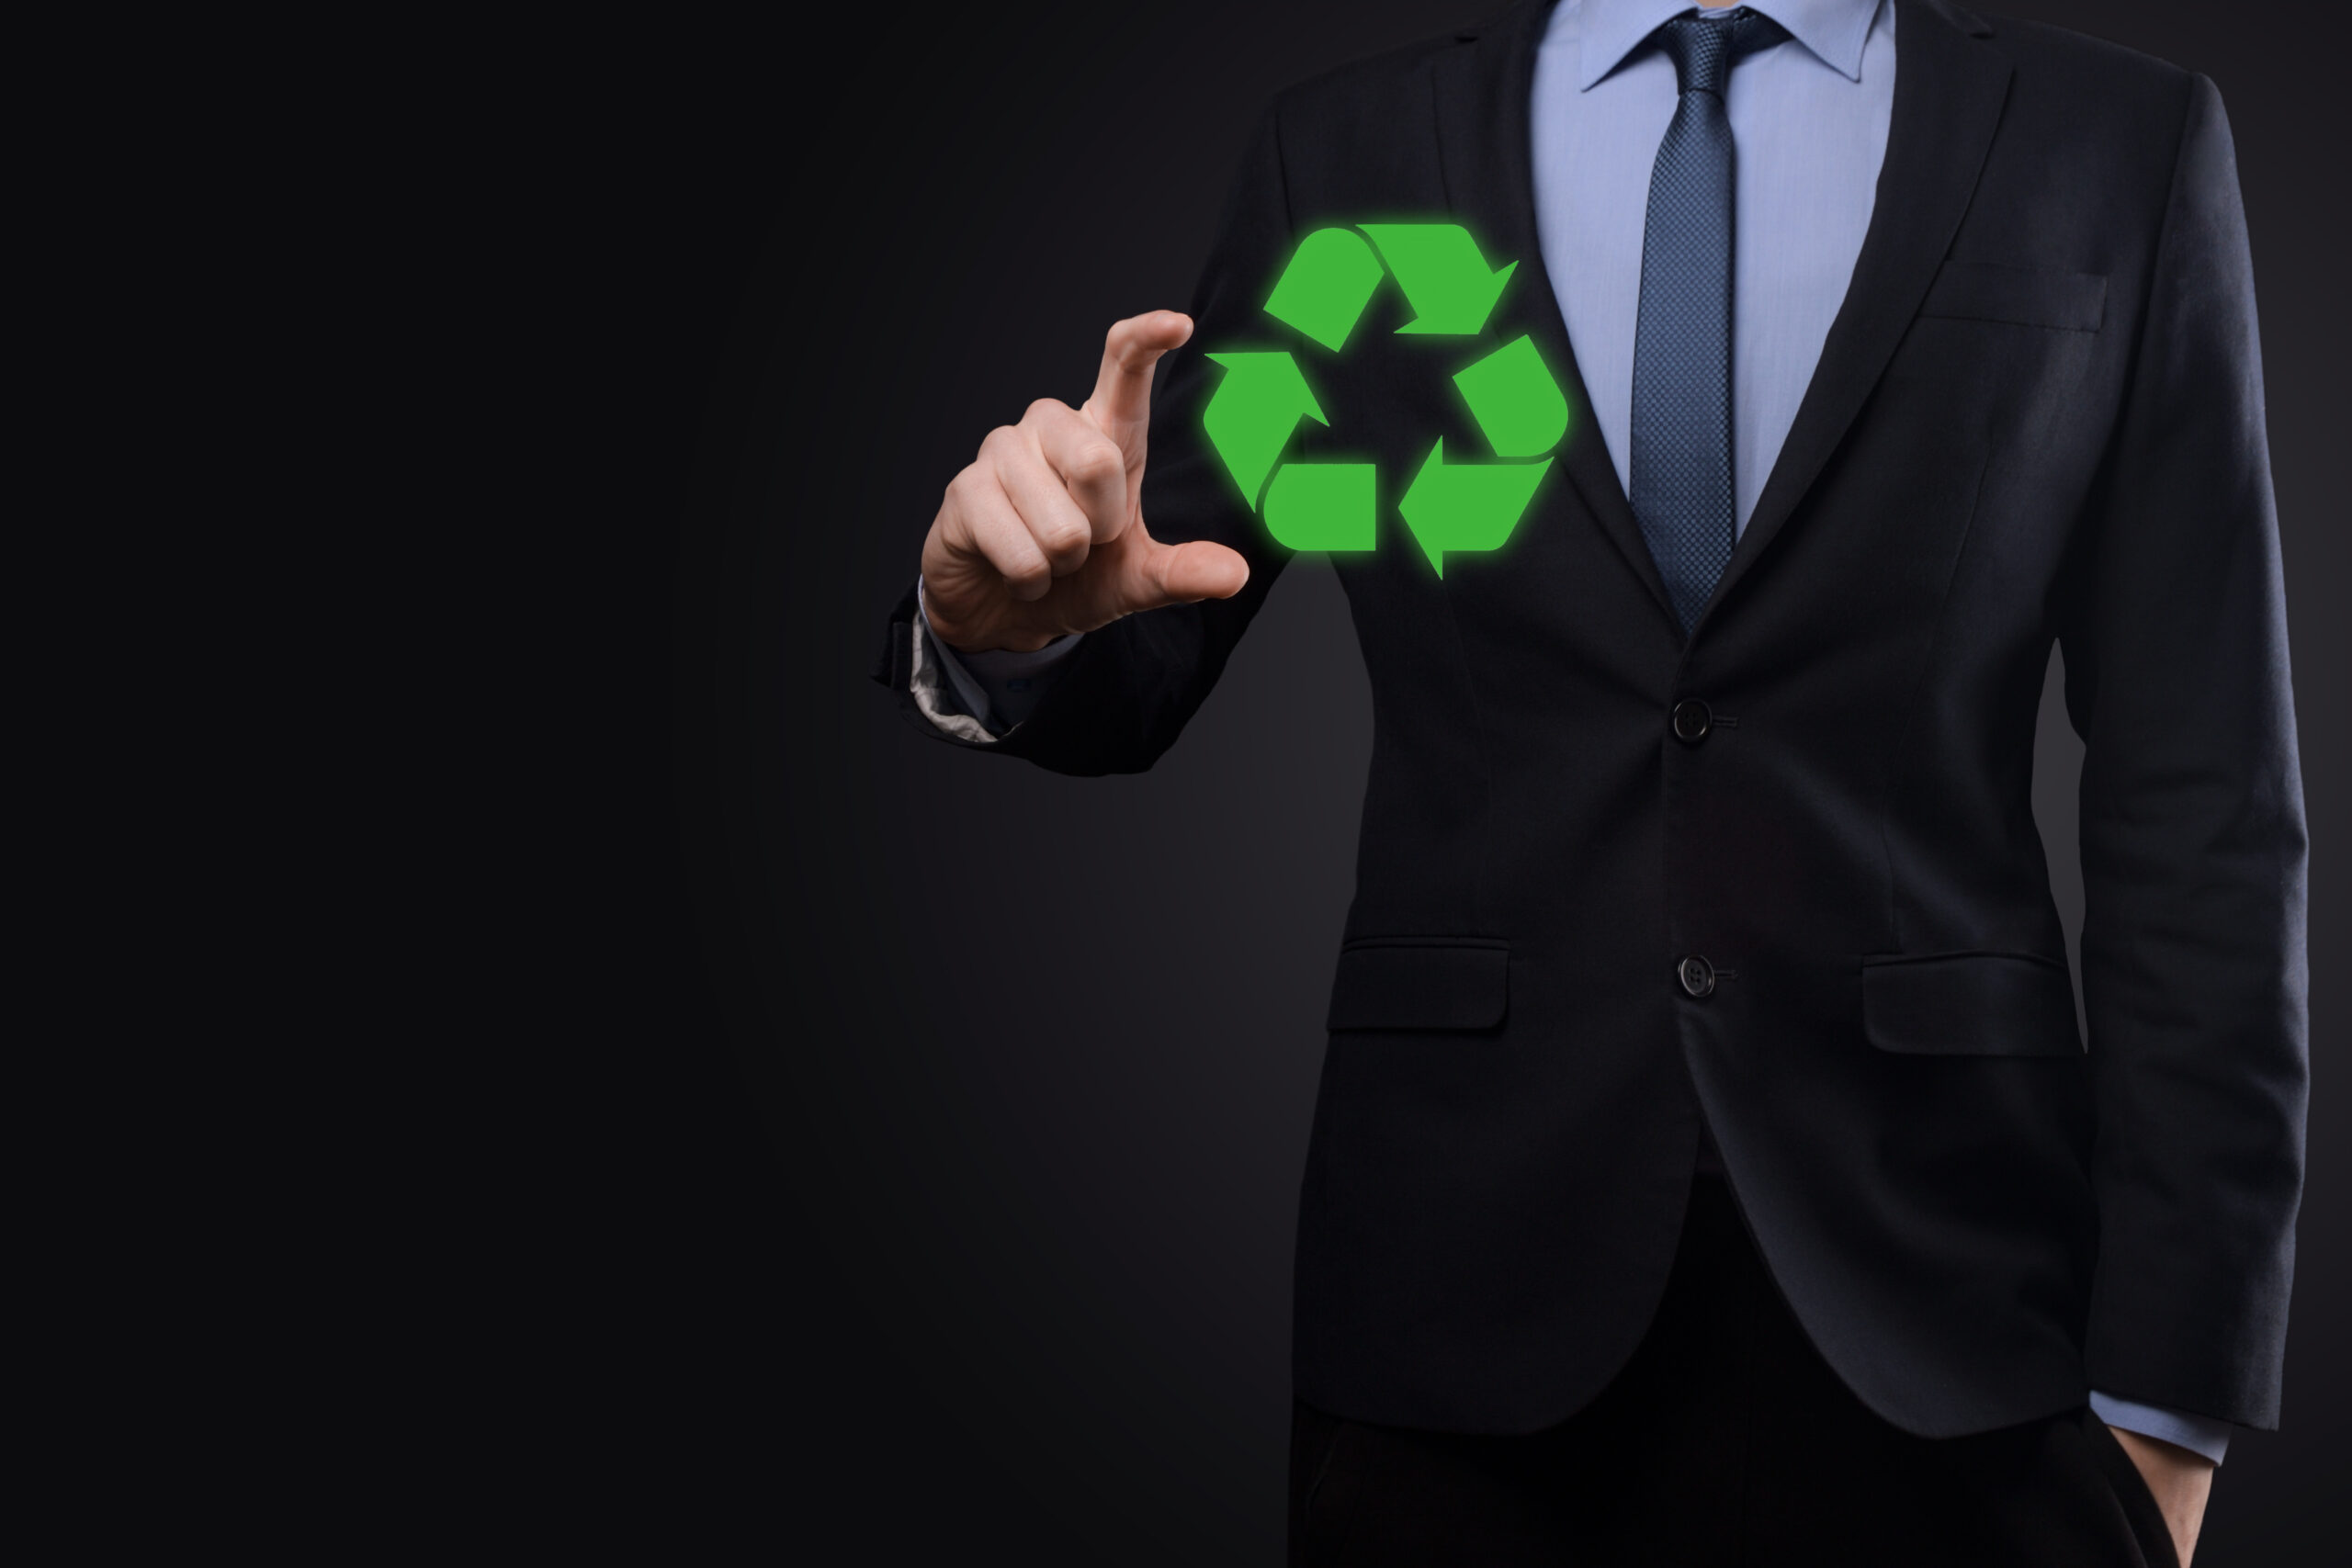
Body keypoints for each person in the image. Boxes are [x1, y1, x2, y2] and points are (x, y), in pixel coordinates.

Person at [869, 1, 2309, 1562]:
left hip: (1962, 1320)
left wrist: (2172, 1409)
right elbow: (1149, 605)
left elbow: (2204, 804)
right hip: (1450, 1325)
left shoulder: (2118, 137)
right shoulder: (1346, 150)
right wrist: (990, 623)